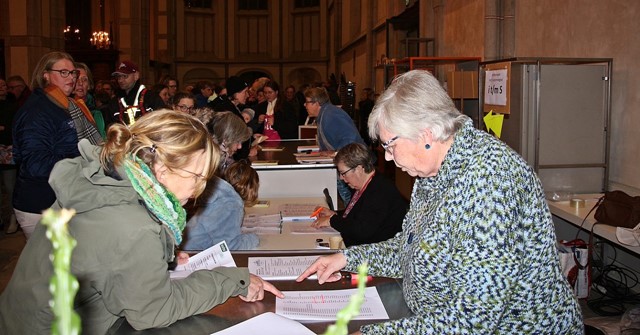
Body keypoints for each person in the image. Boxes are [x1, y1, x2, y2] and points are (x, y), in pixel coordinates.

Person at [297, 70, 582, 334]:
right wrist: (347, 258)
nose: (386, 157)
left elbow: (475, 319)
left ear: (428, 133)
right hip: (431, 316)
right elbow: (409, 248)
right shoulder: (432, 170)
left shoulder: (490, 183)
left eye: (390, 145)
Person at [0, 109, 283, 333]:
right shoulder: (135, 227)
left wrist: (159, 254)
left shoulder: (103, 180)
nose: (199, 190)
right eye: (198, 178)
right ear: (160, 169)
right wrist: (231, 279)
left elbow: (103, 259)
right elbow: (152, 311)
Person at [12, 51, 102, 239]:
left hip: (62, 199)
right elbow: (35, 164)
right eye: (64, 72)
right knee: (54, 267)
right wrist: (84, 160)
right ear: (45, 75)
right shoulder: (37, 110)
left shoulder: (65, 104)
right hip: (41, 203)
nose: (71, 78)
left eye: (73, 73)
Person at [311, 143, 406, 246]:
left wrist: (331, 220)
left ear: (359, 168)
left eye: (343, 173)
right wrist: (334, 213)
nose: (342, 178)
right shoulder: (366, 183)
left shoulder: (380, 191)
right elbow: (359, 214)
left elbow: (362, 230)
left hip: (375, 252)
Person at [304, 86, 365, 204]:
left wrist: (335, 153)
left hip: (355, 165)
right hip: (349, 164)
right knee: (351, 202)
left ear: (316, 103)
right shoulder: (326, 113)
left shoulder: (331, 115)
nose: (305, 105)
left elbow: (350, 138)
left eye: (307, 102)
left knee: (353, 202)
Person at [183, 160, 260, 251]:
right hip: (195, 255)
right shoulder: (231, 203)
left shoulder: (219, 194)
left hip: (187, 248)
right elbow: (228, 247)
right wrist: (254, 239)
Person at [106, 60, 165, 126]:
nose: (120, 80)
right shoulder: (114, 102)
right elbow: (110, 126)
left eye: (125, 76)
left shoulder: (151, 98)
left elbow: (162, 122)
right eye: (119, 77)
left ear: (136, 76)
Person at [0, 78, 18, 233]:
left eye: (3, 85)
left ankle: (14, 216)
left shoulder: (12, 107)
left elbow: (9, 130)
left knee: (10, 185)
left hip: (7, 149)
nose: (1, 88)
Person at [73, 62, 107, 139]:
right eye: (76, 79)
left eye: (84, 80)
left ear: (89, 85)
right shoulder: (61, 107)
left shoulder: (96, 113)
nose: (80, 83)